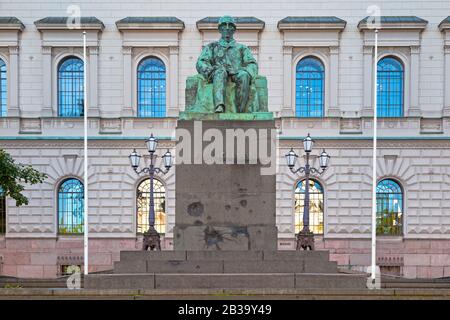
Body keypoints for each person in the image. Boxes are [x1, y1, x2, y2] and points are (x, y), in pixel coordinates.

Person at [196, 16, 258, 113]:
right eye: (225, 25)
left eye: (230, 26)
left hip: (237, 73)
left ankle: (241, 111)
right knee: (220, 72)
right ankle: (219, 106)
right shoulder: (212, 47)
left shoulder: (242, 48)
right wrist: (210, 70)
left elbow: (252, 64)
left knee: (244, 75)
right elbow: (201, 62)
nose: (228, 28)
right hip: (217, 73)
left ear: (234, 30)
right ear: (220, 29)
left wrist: (244, 71)